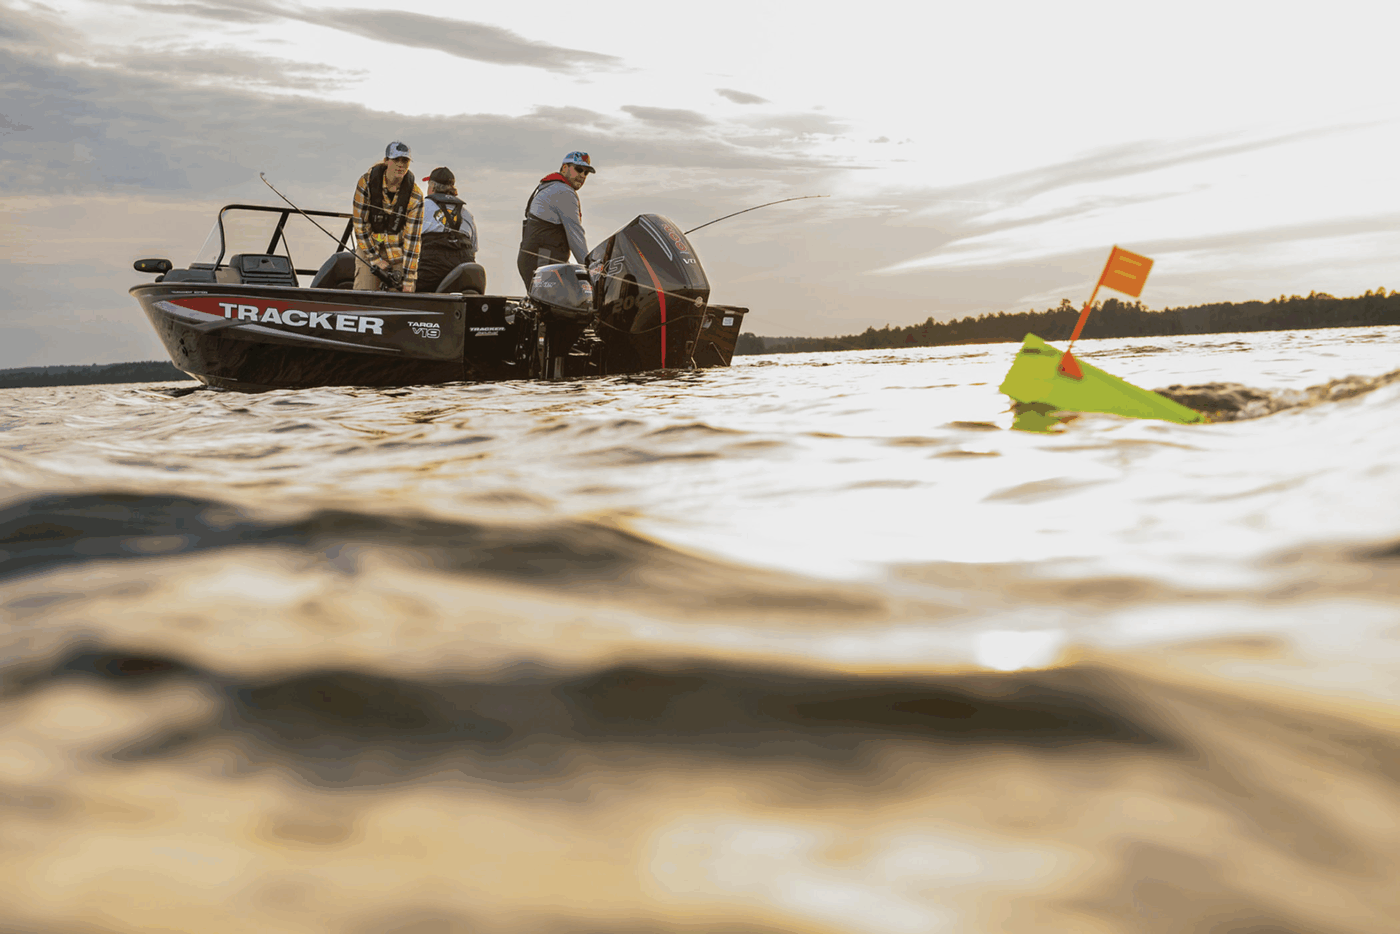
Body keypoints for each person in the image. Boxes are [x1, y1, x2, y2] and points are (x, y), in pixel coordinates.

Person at [352, 141, 424, 292]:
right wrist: (375, 259)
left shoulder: (416, 195)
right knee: (364, 293)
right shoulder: (365, 183)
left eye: (405, 161)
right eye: (396, 160)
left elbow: (412, 240)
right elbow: (360, 226)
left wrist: (409, 279)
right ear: (386, 161)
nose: (400, 165)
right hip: (369, 248)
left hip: (398, 252)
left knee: (403, 296)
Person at [517, 150, 594, 290]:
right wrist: (591, 269)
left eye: (586, 172)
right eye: (578, 169)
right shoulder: (563, 192)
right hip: (543, 263)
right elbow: (575, 236)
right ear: (564, 168)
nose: (582, 175)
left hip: (539, 261)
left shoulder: (548, 187)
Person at [415, 166, 478, 293]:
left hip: (430, 278)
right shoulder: (467, 214)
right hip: (463, 279)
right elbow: (473, 251)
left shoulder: (420, 207)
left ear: (432, 186)